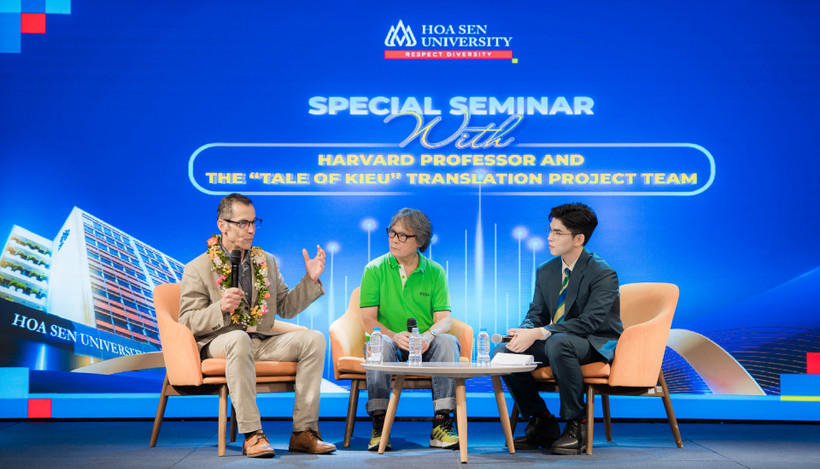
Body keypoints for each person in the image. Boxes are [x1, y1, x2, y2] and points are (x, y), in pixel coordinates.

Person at [179, 193, 336, 458]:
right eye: (242, 223)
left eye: (254, 222)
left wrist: (310, 280)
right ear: (222, 225)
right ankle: (253, 434)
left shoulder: (267, 262)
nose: (250, 229)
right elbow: (186, 322)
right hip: (220, 342)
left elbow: (286, 307)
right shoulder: (198, 267)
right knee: (238, 340)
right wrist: (220, 308)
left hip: (260, 340)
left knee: (314, 339)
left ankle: (304, 432)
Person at [495, 202, 622, 455]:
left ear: (579, 238)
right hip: (559, 340)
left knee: (558, 342)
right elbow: (537, 314)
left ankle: (578, 423)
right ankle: (542, 420)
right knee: (503, 351)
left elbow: (591, 322)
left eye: (557, 233)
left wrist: (540, 332)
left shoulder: (603, 273)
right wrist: (524, 331)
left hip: (594, 341)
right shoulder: (546, 270)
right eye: (549, 230)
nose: (549, 237)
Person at [360, 208, 460, 451]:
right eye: (392, 232)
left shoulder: (435, 272)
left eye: (403, 236)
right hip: (390, 340)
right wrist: (394, 336)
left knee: (447, 341)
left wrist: (427, 336)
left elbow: (445, 320)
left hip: (424, 345)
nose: (395, 239)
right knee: (378, 343)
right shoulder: (374, 269)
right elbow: (367, 320)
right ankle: (380, 422)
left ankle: (442, 422)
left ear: (421, 241)